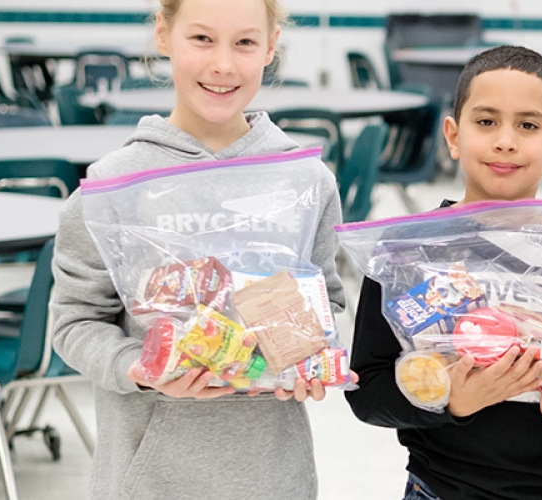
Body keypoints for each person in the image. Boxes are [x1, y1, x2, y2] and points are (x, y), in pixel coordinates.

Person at [49, 0, 348, 497]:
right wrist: (138, 367)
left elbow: (330, 304)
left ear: (271, 47)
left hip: (273, 477)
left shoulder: (305, 180)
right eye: (202, 39)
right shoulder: (113, 185)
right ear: (163, 35)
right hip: (147, 480)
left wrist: (310, 356)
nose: (223, 64)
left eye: (246, 42)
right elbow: (74, 324)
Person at [343, 45, 542, 500]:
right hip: (441, 489)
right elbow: (368, 392)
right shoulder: (405, 255)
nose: (506, 140)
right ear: (453, 135)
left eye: (528, 124)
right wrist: (449, 401)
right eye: (486, 122)